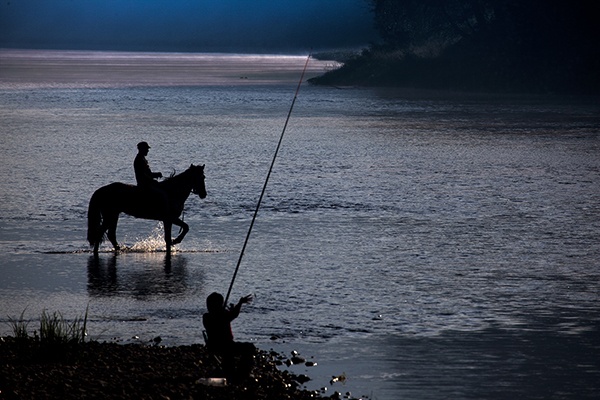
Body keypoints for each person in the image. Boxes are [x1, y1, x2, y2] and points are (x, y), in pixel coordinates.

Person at [203, 292, 256, 381]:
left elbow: (231, 315)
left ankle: (236, 372)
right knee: (247, 348)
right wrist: (239, 304)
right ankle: (240, 374)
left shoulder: (210, 316)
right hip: (222, 346)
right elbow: (232, 315)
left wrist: (234, 307)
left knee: (241, 349)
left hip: (219, 345)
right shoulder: (211, 316)